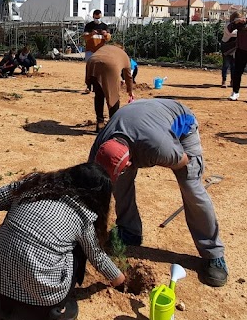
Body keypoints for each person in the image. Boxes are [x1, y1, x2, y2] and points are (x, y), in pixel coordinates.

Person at [89, 98, 228, 287]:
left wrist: (152, 159)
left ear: (130, 162)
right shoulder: (100, 146)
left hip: (181, 124)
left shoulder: (159, 147)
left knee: (190, 187)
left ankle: (214, 253)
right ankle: (130, 232)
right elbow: (93, 187)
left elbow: (182, 161)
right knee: (119, 182)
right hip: (140, 119)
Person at [0, 163, 127, 320]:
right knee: (79, 248)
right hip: (42, 294)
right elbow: (97, 256)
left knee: (10, 231)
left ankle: (6, 302)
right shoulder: (82, 216)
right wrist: (119, 279)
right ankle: (56, 311)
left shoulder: (33, 186)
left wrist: (19, 190)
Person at [85, 44, 135, 131]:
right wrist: (130, 90)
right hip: (110, 65)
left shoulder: (106, 48)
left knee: (99, 95)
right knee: (113, 96)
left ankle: (100, 123)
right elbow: (128, 76)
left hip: (92, 63)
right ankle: (113, 124)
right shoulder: (123, 55)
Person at [220, 11, 240, 88]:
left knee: (234, 65)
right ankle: (224, 81)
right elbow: (232, 33)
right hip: (226, 47)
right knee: (226, 64)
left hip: (235, 47)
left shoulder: (239, 26)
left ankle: (232, 81)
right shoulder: (228, 25)